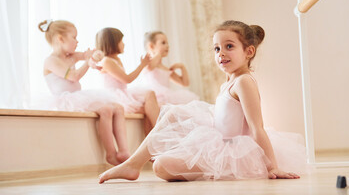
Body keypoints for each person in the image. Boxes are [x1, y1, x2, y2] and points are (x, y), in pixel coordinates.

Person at [98, 20, 308, 183]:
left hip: (235, 152)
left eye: (229, 46)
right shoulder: (230, 80)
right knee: (173, 115)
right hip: (219, 139)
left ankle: (133, 165)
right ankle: (132, 164)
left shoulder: (244, 82)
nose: (221, 53)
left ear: (249, 51)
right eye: (217, 49)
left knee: (160, 165)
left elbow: (257, 127)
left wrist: (272, 167)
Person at [39, 19, 129, 165]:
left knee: (118, 107)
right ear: (60, 39)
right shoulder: (51, 61)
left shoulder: (71, 56)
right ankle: (111, 153)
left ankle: (124, 151)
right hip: (65, 100)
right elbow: (74, 76)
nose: (77, 41)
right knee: (106, 110)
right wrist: (88, 62)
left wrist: (94, 57)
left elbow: (89, 56)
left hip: (78, 96)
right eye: (74, 37)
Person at [95, 27, 160, 135]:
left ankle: (153, 139)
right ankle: (159, 131)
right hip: (116, 96)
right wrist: (142, 65)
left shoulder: (117, 59)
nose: (124, 44)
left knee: (151, 105)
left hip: (124, 93)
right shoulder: (107, 61)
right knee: (149, 96)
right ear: (113, 43)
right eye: (121, 41)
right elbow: (127, 79)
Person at [142, 31, 199, 105]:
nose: (167, 46)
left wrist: (182, 67)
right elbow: (149, 67)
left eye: (167, 43)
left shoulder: (166, 69)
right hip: (155, 99)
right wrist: (158, 53)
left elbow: (185, 83)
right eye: (163, 43)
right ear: (151, 46)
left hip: (167, 98)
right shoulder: (148, 64)